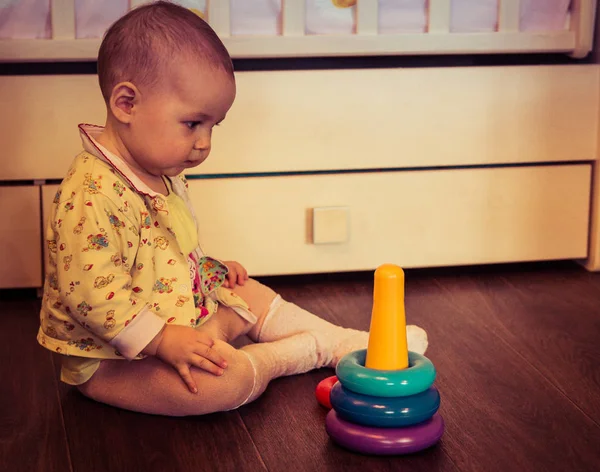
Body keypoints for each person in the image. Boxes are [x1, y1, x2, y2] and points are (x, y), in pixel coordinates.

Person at [37, 1, 428, 416]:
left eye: (212, 127)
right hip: (112, 359)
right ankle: (292, 355)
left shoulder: (158, 167)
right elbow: (92, 296)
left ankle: (349, 343)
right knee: (221, 385)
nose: (205, 143)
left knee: (245, 289)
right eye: (193, 124)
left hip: (173, 317)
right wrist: (163, 341)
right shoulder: (92, 192)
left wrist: (206, 268)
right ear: (127, 104)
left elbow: (162, 251)